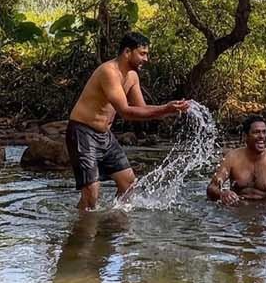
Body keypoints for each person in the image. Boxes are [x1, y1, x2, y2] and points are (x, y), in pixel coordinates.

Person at [65, 31, 191, 209]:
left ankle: (114, 223)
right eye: (142, 53)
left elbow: (141, 108)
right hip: (83, 132)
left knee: (128, 184)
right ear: (127, 52)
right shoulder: (109, 72)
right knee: (91, 193)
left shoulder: (132, 76)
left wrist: (170, 110)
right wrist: (165, 109)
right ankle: (82, 230)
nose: (146, 59)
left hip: (104, 135)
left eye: (147, 54)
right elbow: (125, 112)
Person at [206, 114, 266, 204]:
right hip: (238, 209)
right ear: (245, 136)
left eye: (264, 132)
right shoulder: (232, 157)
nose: (262, 136)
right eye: (256, 132)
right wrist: (222, 194)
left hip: (265, 210)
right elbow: (212, 187)